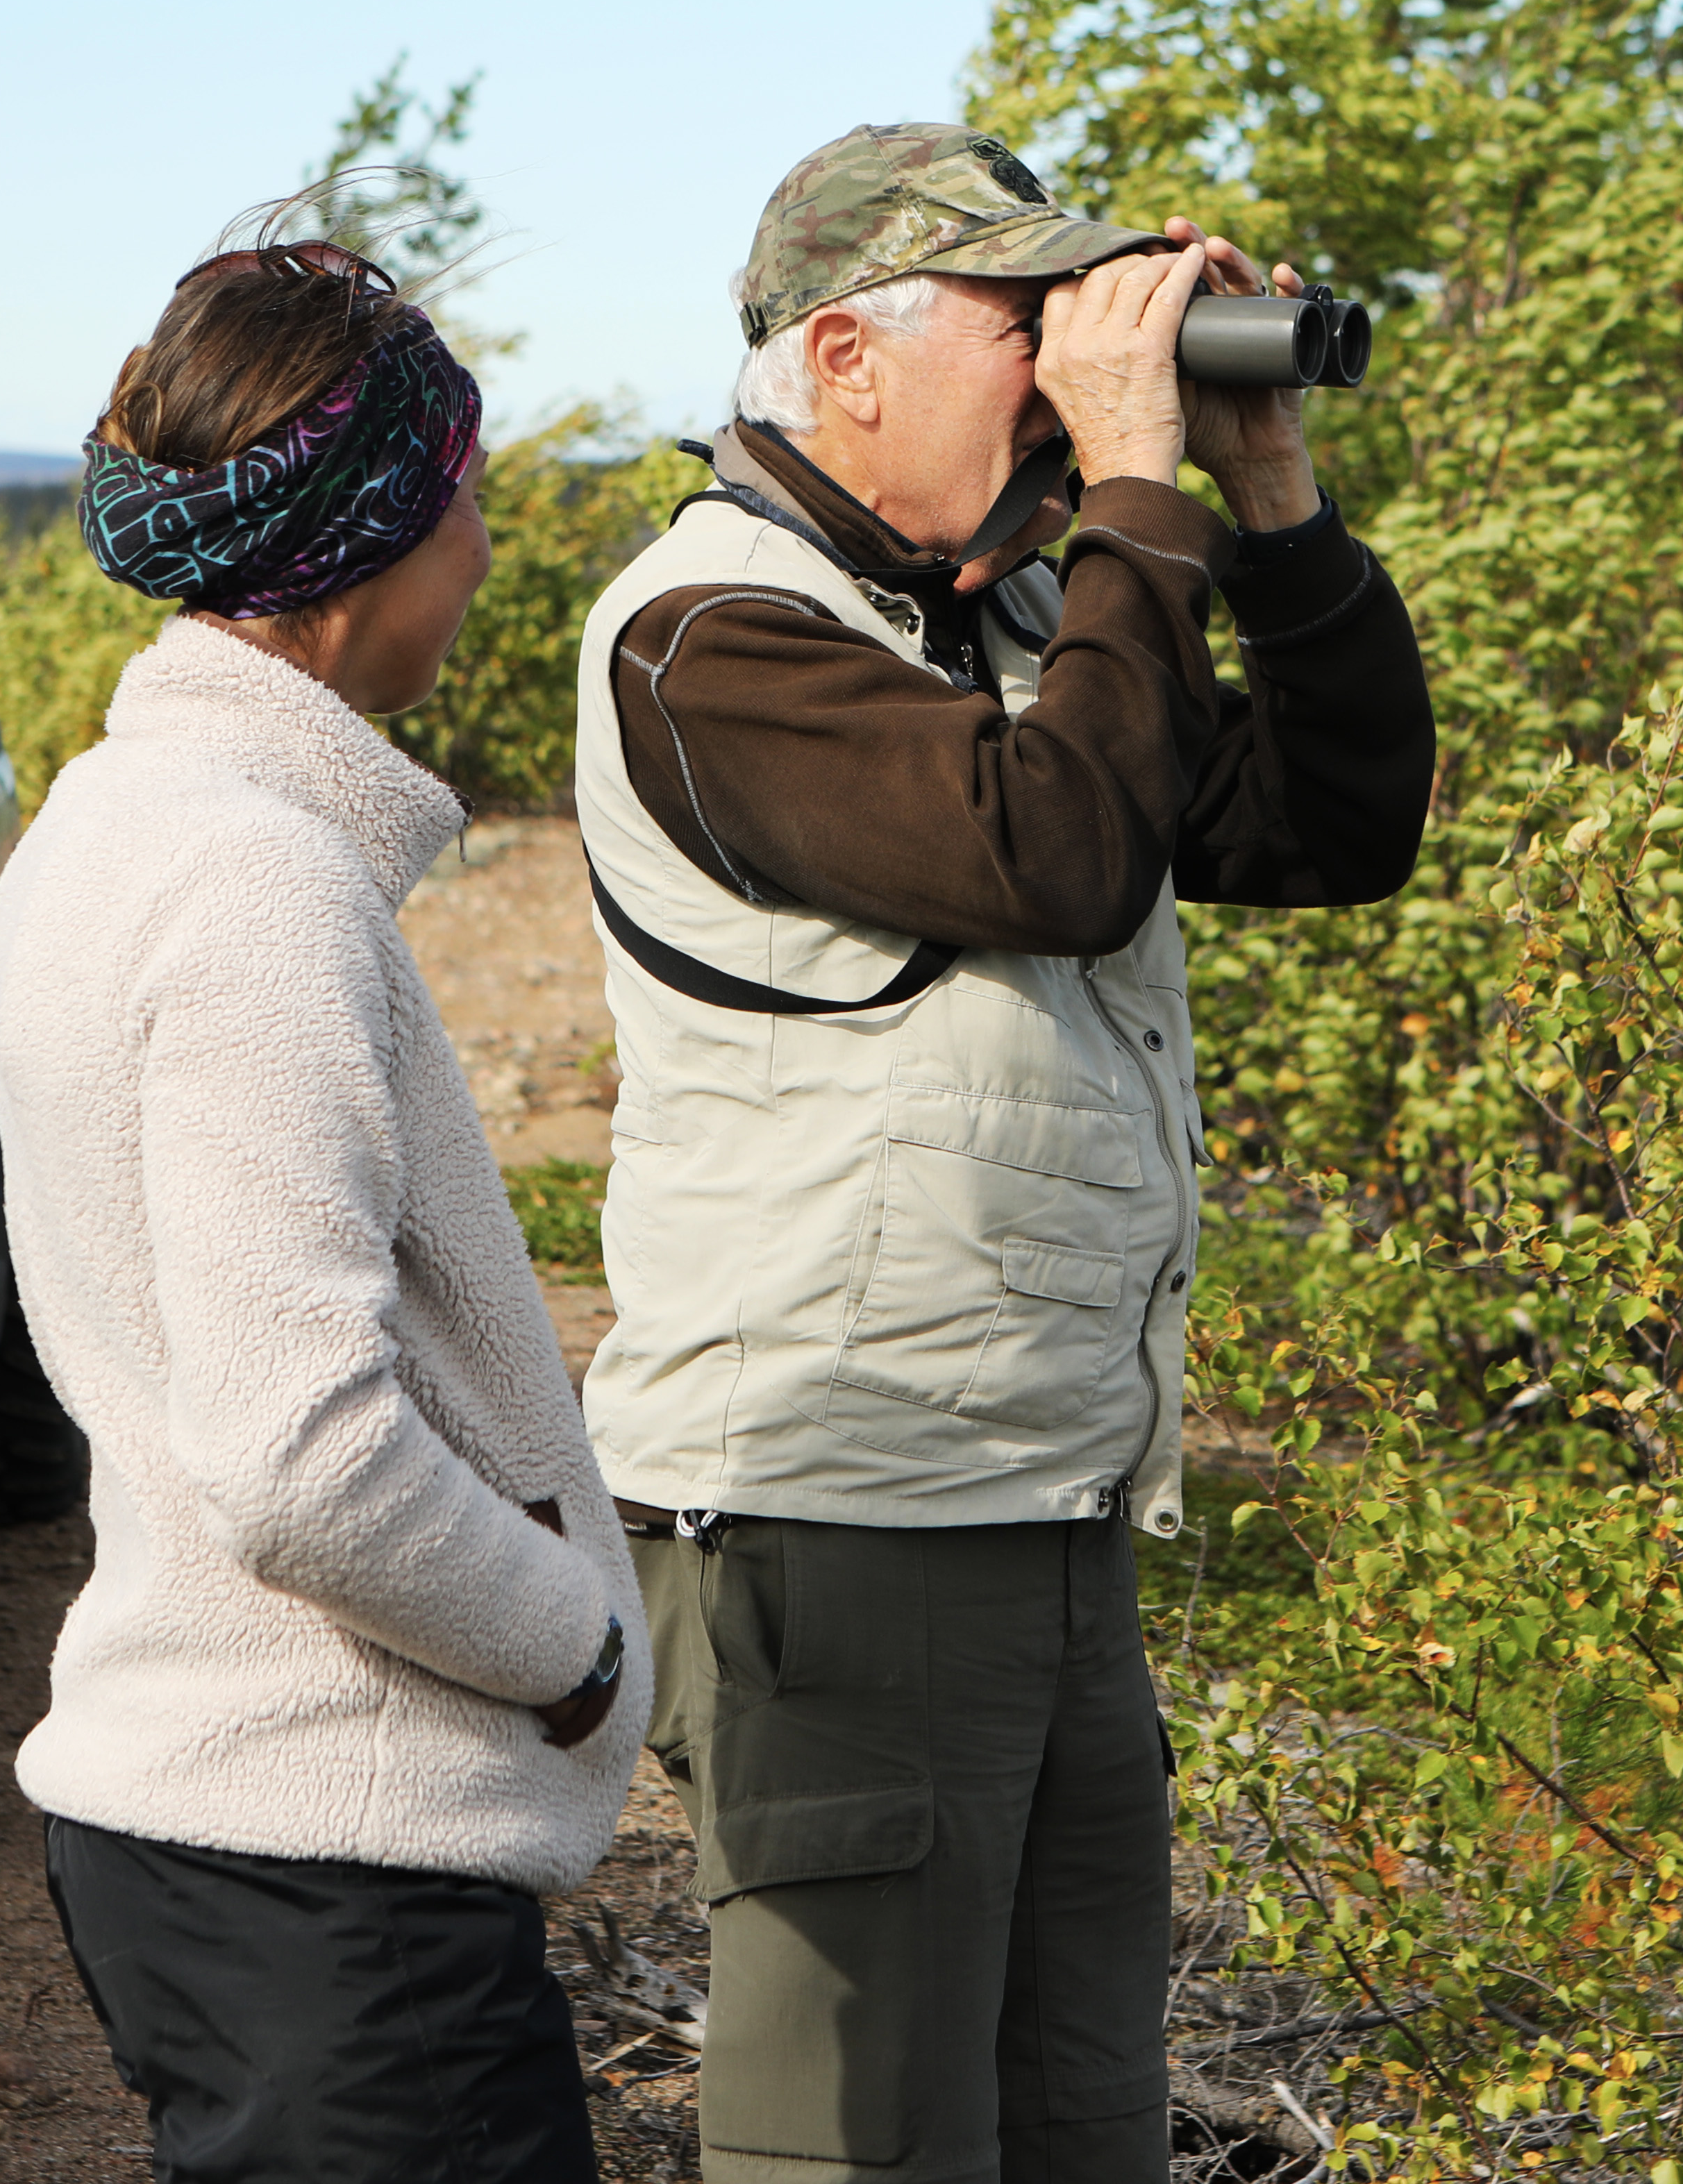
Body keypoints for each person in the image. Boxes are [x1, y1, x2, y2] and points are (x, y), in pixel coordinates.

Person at [573, 123, 1432, 2184]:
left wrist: (1264, 495)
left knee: (1076, 2121)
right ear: (843, 353)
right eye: (1021, 318)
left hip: (1041, 1492)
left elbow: (1338, 825)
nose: (1065, 363)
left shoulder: (1031, 609)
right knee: (852, 2143)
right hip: (838, 1510)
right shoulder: (711, 635)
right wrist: (1135, 485)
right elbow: (1050, 852)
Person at [0, 221, 646, 2184]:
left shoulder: (103, 822)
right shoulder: (256, 881)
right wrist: (578, 1640)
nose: (486, 557)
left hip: (227, 1846)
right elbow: (302, 1457)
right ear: (366, 553)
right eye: (465, 509)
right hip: (325, 1865)